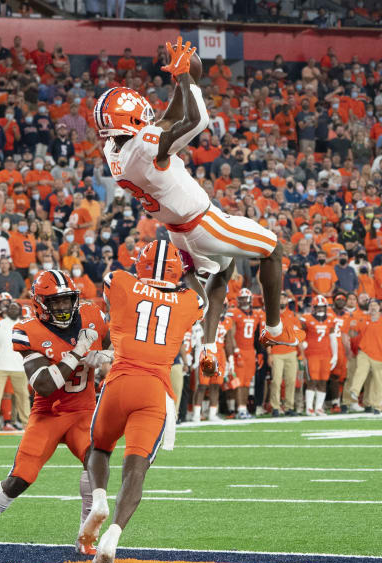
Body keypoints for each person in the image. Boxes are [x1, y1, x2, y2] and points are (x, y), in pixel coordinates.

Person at [94, 37, 297, 383]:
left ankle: (207, 346)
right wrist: (187, 79)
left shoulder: (114, 149)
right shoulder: (143, 148)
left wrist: (181, 79)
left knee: (224, 268)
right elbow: (196, 120)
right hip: (203, 223)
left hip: (178, 233)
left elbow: (167, 120)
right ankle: (275, 328)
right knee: (272, 248)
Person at [0, 269, 109, 558]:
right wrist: (78, 352)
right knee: (20, 478)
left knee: (96, 461)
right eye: (55, 302)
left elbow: (111, 349)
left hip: (83, 410)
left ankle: (86, 536)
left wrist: (105, 358)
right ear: (40, 304)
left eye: (66, 300)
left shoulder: (92, 315)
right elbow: (44, 385)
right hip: (49, 413)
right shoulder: (27, 330)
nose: (62, 307)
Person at [81, 240, 204, 563]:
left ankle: (100, 500)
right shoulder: (187, 300)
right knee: (136, 469)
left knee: (100, 449)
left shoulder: (120, 280)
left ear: (142, 265)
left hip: (119, 380)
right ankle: (113, 537)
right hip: (154, 389)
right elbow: (202, 299)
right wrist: (189, 271)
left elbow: (111, 285)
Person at [0, 301, 30, 432]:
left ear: (20, 311)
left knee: (23, 396)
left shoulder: (25, 326)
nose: (14, 310)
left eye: (16, 308)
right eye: (11, 308)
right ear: (7, 310)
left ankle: (27, 423)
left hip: (20, 366)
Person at [348, 299, 382, 415]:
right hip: (364, 352)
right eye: (371, 305)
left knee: (379, 381)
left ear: (379, 308)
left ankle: (377, 406)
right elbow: (353, 334)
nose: (373, 307)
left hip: (380, 355)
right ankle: (355, 391)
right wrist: (351, 327)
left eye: (375, 305)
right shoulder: (362, 320)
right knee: (361, 371)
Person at [267, 291, 303, 416]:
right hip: (276, 352)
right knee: (276, 381)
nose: (282, 300)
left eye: (284, 298)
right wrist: (269, 354)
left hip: (291, 352)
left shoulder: (292, 315)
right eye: (280, 298)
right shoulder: (271, 315)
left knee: (291, 380)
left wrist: (301, 353)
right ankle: (275, 407)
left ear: (287, 301)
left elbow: (298, 335)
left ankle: (289, 407)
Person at [299, 295, 337, 416]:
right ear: (314, 308)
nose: (320, 309)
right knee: (312, 381)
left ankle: (319, 407)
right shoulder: (306, 319)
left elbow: (332, 338)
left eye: (322, 307)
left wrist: (335, 354)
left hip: (325, 354)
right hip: (312, 354)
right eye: (318, 307)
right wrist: (302, 347)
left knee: (323, 381)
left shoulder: (330, 320)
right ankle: (309, 407)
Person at [229, 288, 263, 419]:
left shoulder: (256, 315)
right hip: (240, 351)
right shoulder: (235, 313)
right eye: (241, 298)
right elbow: (231, 335)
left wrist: (259, 352)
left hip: (250, 351)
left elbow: (257, 335)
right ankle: (240, 409)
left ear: (249, 299)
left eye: (245, 298)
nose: (243, 300)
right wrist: (236, 350)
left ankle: (244, 408)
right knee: (239, 381)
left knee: (247, 382)